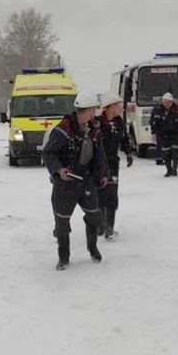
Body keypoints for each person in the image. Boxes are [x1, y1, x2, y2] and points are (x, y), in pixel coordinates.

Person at [42, 89, 109, 270]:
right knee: (62, 222)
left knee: (94, 216)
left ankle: (92, 248)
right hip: (66, 183)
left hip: (86, 180)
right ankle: (63, 257)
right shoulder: (64, 129)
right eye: (93, 109)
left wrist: (103, 174)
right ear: (85, 110)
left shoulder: (94, 129)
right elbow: (48, 153)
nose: (95, 112)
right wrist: (59, 170)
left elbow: (100, 155)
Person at [97, 92, 134, 240]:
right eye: (118, 104)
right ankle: (100, 225)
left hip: (112, 164)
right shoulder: (97, 123)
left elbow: (124, 139)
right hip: (97, 165)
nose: (120, 107)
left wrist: (129, 153)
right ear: (110, 107)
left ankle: (109, 229)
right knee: (99, 195)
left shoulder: (119, 122)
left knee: (111, 195)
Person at [150, 92, 178, 177]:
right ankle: (169, 170)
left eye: (168, 102)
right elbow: (153, 123)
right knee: (165, 153)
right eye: (164, 102)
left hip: (176, 134)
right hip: (163, 135)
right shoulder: (157, 110)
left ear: (171, 102)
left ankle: (175, 169)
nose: (166, 104)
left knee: (176, 152)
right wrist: (154, 133)